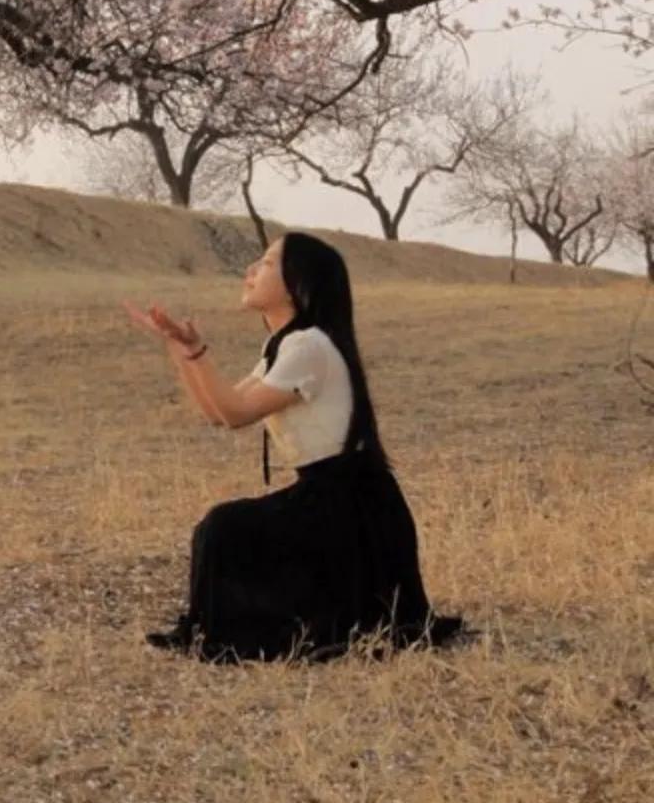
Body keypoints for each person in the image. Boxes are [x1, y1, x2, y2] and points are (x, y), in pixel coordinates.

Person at [125, 231, 464, 663]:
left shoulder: (308, 346)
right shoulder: (285, 345)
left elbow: (233, 412)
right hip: (338, 500)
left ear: (298, 284)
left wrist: (194, 351)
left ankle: (244, 632)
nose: (250, 271)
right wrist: (181, 347)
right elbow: (218, 412)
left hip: (352, 510)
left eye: (266, 263)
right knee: (226, 530)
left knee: (225, 528)